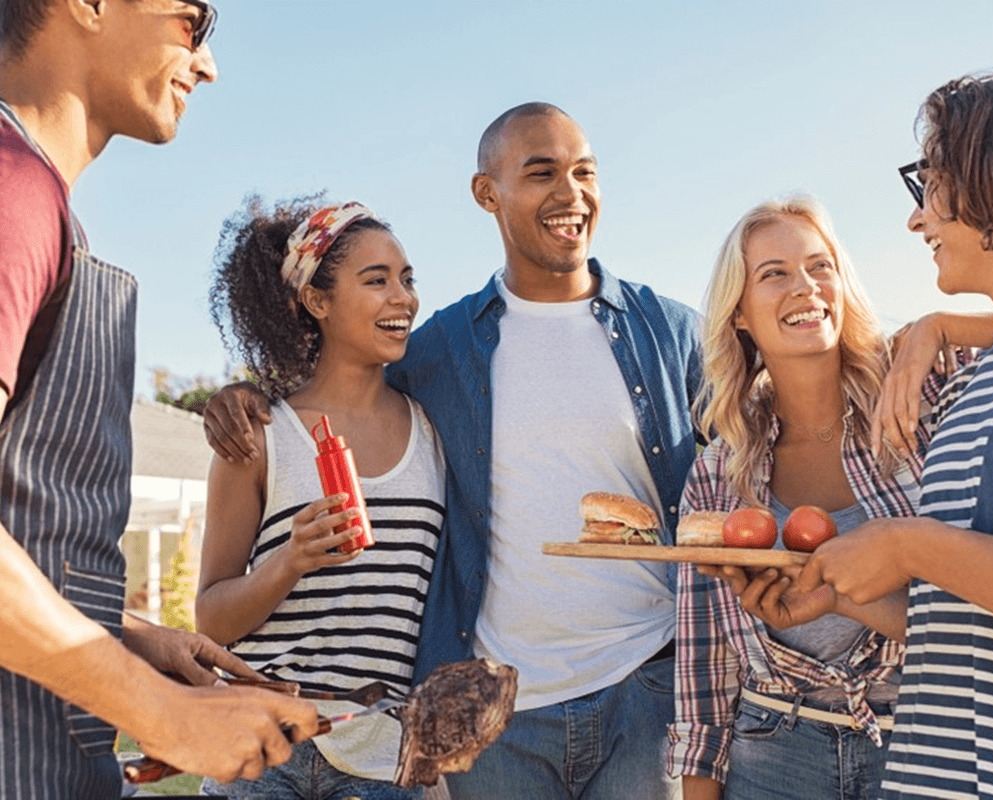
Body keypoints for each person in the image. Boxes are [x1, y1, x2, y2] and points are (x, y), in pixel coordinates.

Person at [205, 102, 701, 799]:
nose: (571, 192)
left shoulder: (667, 332)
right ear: (487, 193)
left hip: (619, 694)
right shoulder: (440, 351)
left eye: (585, 170)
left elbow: (761, 417)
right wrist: (242, 395)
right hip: (443, 718)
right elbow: (336, 382)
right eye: (541, 172)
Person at [0, 2, 320, 798]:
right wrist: (161, 713)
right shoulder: (10, 190)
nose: (205, 63)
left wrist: (134, 639)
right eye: (191, 21)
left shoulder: (38, 196)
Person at [665, 196, 957, 800]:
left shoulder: (924, 398)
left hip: (924, 736)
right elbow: (704, 671)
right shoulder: (718, 473)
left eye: (820, 266)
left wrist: (943, 325)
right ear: (739, 313)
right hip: (772, 747)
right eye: (774, 274)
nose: (805, 287)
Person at [785, 73, 993, 799]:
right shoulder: (979, 374)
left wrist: (904, 545)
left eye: (930, 183)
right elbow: (968, 619)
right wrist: (840, 596)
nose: (916, 220)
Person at [196, 197, 445, 800]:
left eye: (408, 280)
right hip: (263, 749)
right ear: (318, 301)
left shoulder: (436, 431)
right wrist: (291, 561)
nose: (403, 298)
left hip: (383, 758)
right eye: (377, 280)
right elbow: (211, 617)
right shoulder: (258, 434)